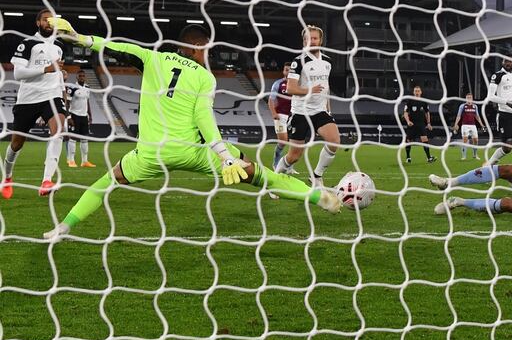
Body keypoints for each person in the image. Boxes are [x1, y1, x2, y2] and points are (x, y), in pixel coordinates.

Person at [42, 18, 340, 240]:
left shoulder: (153, 58)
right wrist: (226, 156)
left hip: (151, 154)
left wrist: (79, 38)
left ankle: (62, 227)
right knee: (263, 177)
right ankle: (319, 198)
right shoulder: (204, 77)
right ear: (197, 47)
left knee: (106, 182)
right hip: (197, 153)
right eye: (206, 47)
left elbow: (116, 47)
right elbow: (203, 117)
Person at [2, 9, 68, 198]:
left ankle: (46, 181)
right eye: (45, 20)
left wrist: (61, 85)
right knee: (16, 143)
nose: (49, 23)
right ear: (38, 23)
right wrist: (45, 69)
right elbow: (18, 74)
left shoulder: (59, 46)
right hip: (28, 99)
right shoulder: (28, 43)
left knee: (59, 131)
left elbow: (57, 73)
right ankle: (7, 177)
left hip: (52, 96)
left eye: (51, 20)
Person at [274, 25, 339, 187]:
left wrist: (328, 106)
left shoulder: (328, 62)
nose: (312, 42)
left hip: (320, 111)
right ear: (304, 42)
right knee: (294, 156)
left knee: (334, 141)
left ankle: (316, 176)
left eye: (315, 38)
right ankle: (274, 180)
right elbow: (290, 88)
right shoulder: (298, 62)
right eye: (308, 39)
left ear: (320, 40)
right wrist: (311, 90)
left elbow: (326, 86)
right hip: (300, 113)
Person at [485, 54, 512, 166]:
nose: (508, 63)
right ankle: (489, 165)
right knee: (508, 146)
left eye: (510, 61)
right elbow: (490, 97)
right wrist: (507, 103)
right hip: (505, 114)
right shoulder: (497, 76)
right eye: (505, 61)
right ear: (502, 62)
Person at [268, 62, 296, 174]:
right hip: (280, 115)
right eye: (286, 69)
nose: (288, 72)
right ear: (283, 71)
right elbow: (271, 100)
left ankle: (289, 167)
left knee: (295, 142)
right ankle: (275, 163)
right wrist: (274, 113)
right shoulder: (278, 84)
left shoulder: (296, 84)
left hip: (293, 115)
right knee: (283, 141)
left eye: (290, 70)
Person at [65, 69, 96, 168]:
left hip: (84, 116)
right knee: (73, 138)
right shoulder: (72, 87)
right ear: (76, 77)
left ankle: (84, 161)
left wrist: (90, 114)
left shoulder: (87, 87)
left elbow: (87, 102)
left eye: (83, 76)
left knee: (84, 139)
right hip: (74, 115)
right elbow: (67, 103)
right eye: (80, 76)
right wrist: (68, 117)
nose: (82, 77)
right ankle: (71, 160)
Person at [402, 85, 436, 164]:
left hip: (421, 124)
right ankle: (408, 157)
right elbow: (405, 113)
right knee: (408, 140)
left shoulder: (424, 101)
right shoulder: (409, 101)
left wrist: (428, 123)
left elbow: (427, 113)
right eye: (415, 91)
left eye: (418, 91)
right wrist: (408, 121)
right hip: (412, 124)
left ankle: (428, 158)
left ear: (421, 92)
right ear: (413, 92)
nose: (417, 92)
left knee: (425, 139)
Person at [451, 93, 485, 160]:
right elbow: (459, 116)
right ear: (466, 99)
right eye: (468, 97)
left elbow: (477, 116)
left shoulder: (475, 106)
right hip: (465, 125)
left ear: (472, 99)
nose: (469, 98)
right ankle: (464, 156)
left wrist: (481, 124)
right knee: (465, 140)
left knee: (476, 140)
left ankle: (475, 155)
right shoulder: (462, 106)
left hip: (473, 125)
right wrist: (455, 124)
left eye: (470, 97)